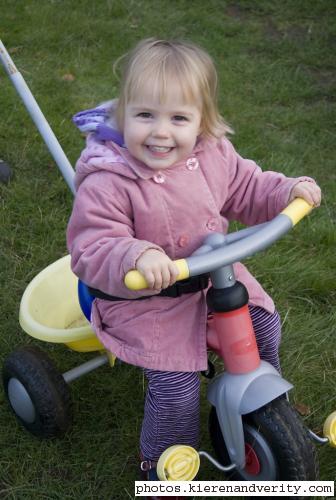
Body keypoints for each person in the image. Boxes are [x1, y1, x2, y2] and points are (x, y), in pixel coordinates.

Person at [67, 38, 321, 498]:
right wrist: (136, 255)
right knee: (176, 391)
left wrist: (285, 192)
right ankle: (161, 472)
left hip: (213, 279)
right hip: (146, 301)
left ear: (201, 121)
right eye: (145, 115)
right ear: (122, 114)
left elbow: (248, 186)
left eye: (178, 118)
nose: (161, 133)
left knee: (263, 326)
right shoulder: (108, 180)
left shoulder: (211, 153)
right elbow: (91, 246)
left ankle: (262, 410)